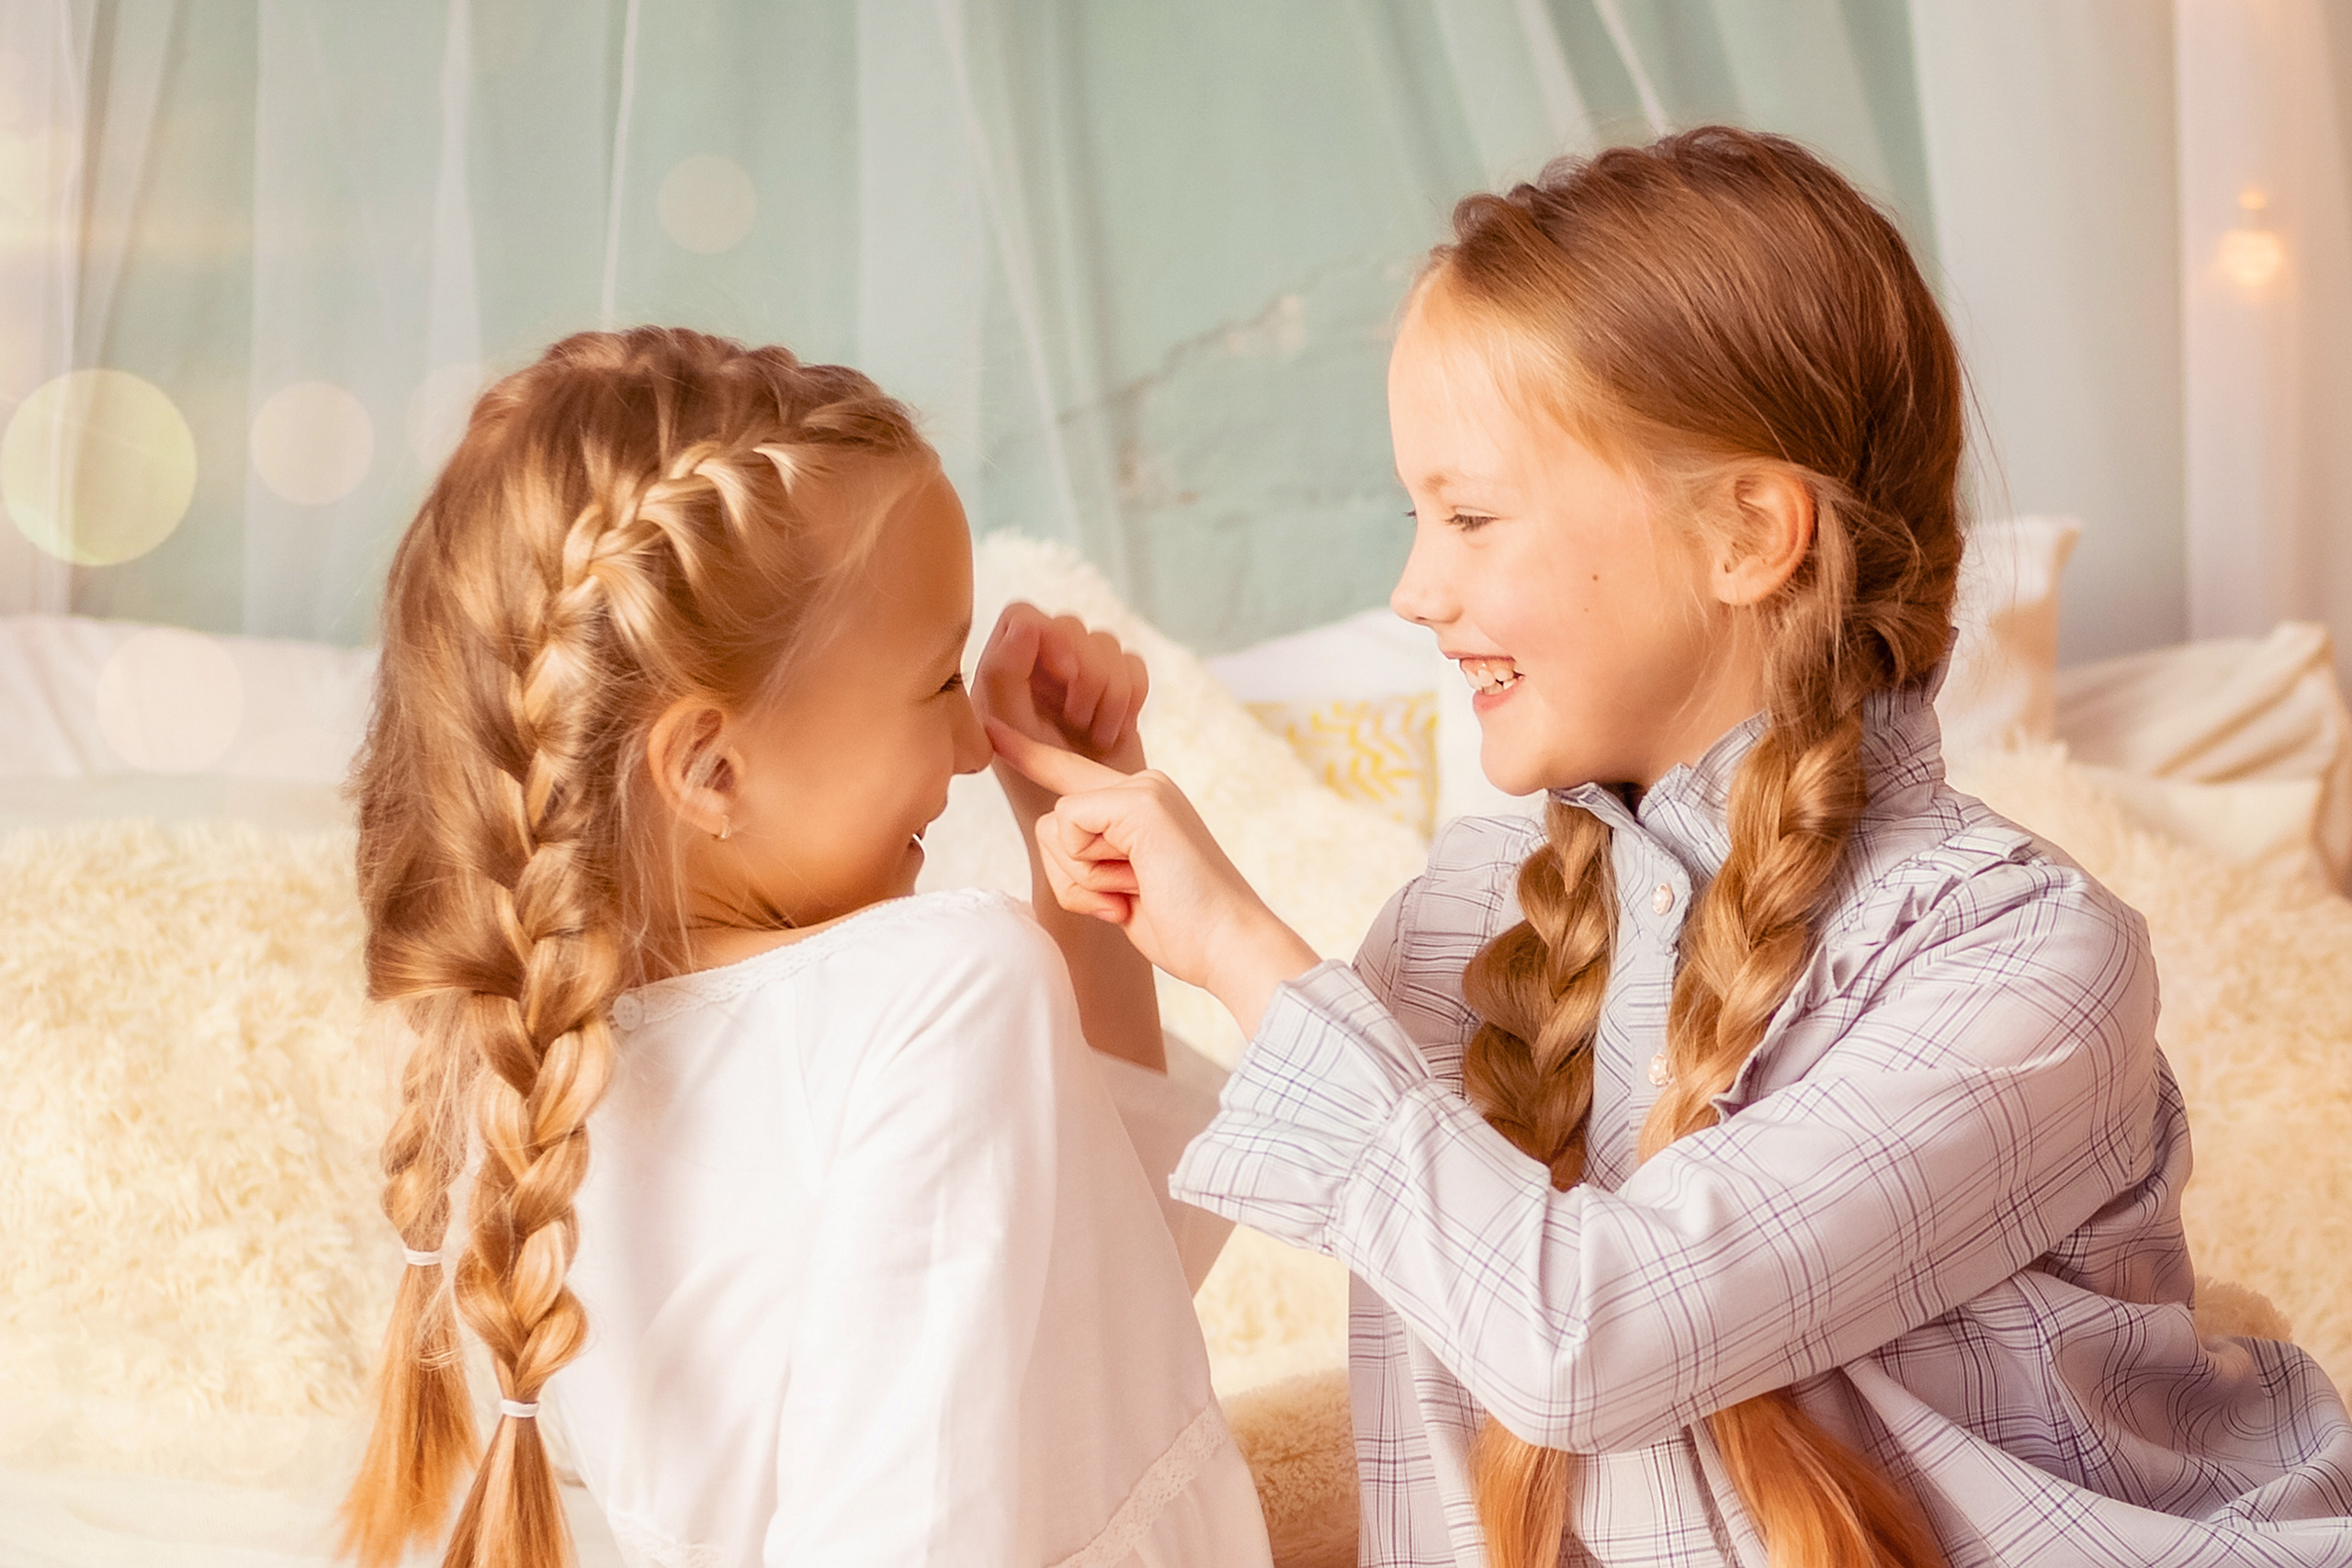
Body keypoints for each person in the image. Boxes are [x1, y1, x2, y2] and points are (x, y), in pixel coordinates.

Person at [990, 129, 2352, 1567]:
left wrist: (1243, 950)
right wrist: (1083, 864)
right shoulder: (1471, 924)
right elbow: (1110, 1313)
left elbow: (1598, 1338)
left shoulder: (2019, 957)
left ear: (1748, 532)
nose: (1413, 587)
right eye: (1416, 515)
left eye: (1470, 515)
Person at [336, 327, 1272, 1568]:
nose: (975, 745)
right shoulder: (940, 986)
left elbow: (1092, 1304)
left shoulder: (532, 1077)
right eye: (941, 680)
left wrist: (1074, 837)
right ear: (712, 769)